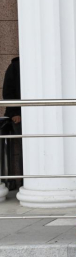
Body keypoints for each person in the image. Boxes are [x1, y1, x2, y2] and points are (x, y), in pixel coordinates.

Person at [2, 56, 21, 190]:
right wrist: (14, 113)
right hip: (20, 116)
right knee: (25, 149)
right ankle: (25, 182)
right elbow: (8, 91)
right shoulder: (15, 66)